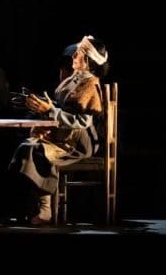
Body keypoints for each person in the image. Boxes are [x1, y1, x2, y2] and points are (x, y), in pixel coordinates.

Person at [8, 35, 109, 224]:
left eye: (78, 54)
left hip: (79, 141)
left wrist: (50, 111)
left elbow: (82, 121)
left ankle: (45, 210)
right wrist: (42, 107)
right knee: (26, 146)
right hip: (66, 135)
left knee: (37, 149)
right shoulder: (75, 80)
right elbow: (63, 108)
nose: (74, 56)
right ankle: (34, 206)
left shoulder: (90, 85)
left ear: (88, 60)